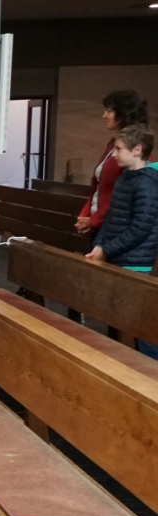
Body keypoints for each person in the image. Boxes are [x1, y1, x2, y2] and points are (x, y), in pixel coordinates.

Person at [84, 124, 158, 359]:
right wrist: (99, 244)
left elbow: (141, 228)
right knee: (122, 318)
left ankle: (151, 365)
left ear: (137, 150)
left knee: (138, 321)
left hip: (136, 260)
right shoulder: (125, 178)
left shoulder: (147, 183)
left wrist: (107, 249)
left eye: (118, 149)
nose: (113, 154)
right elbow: (111, 217)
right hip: (119, 255)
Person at [75, 90, 149, 237]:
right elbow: (99, 187)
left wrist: (94, 220)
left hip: (115, 227)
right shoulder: (113, 143)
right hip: (99, 223)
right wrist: (85, 215)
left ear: (123, 113)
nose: (104, 115)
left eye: (109, 110)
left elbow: (123, 195)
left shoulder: (135, 149)